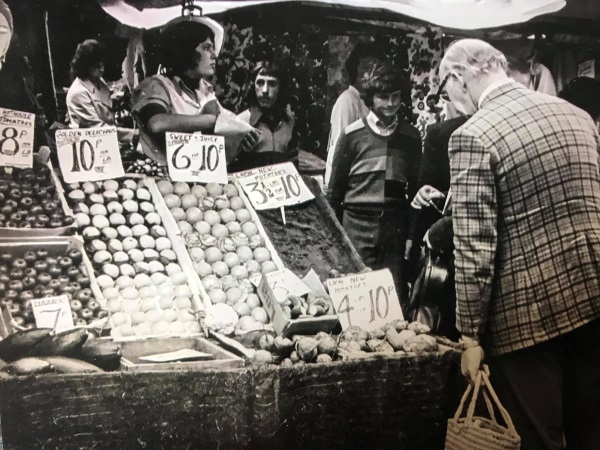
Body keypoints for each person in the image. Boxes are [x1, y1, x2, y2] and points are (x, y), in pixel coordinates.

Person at [441, 38, 600, 450]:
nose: (452, 103)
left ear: (458, 78)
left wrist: (470, 337)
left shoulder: (472, 135)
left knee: (539, 440)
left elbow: (474, 247)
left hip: (526, 323)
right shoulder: (578, 116)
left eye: (445, 91)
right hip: (595, 303)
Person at [328, 64, 421, 304]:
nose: (390, 104)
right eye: (383, 97)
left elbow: (416, 193)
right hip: (356, 226)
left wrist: (411, 235)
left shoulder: (411, 137)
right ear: (370, 99)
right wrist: (336, 240)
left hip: (394, 228)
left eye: (396, 97)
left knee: (393, 301)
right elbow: (334, 193)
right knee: (355, 301)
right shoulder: (352, 135)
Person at [131, 18, 259, 165]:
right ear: (186, 50)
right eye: (206, 48)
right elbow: (156, 124)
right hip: (160, 177)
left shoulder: (206, 91)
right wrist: (211, 120)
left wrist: (240, 141)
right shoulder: (157, 86)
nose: (214, 55)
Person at [325, 42, 383, 187]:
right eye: (365, 68)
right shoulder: (348, 100)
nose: (369, 75)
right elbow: (338, 151)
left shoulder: (370, 102)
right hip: (347, 185)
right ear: (354, 71)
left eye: (375, 69)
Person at [229, 59, 298, 172]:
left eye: (272, 84)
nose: (265, 90)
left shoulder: (290, 123)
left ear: (281, 88)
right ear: (253, 86)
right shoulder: (241, 122)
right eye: (260, 83)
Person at [66, 39, 134, 144]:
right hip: (89, 144)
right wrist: (133, 134)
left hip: (106, 140)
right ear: (86, 66)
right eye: (97, 66)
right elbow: (97, 128)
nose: (102, 70)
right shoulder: (78, 93)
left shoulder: (98, 81)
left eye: (102, 65)